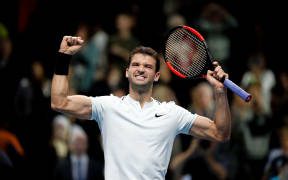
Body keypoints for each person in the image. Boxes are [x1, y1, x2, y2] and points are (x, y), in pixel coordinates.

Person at [51, 36, 231, 180]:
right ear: (127, 72)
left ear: (157, 76)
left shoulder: (171, 112)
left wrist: (220, 92)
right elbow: (59, 102)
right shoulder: (108, 106)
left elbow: (220, 133)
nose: (141, 69)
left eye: (148, 66)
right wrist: (63, 57)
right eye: (136, 65)